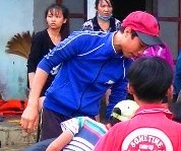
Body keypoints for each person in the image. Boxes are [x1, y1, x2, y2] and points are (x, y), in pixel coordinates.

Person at [20, 11, 162, 140]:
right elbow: (46, 63)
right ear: (128, 31)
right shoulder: (84, 40)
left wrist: (109, 130)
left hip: (86, 121)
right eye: (141, 45)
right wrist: (32, 105)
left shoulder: (127, 65)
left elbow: (115, 103)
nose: (141, 52)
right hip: (55, 112)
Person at [27, 2, 70, 97]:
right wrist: (33, 86)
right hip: (41, 84)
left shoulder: (67, 40)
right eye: (50, 16)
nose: (53, 20)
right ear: (46, 19)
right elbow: (32, 63)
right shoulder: (40, 37)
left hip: (59, 86)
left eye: (57, 17)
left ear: (64, 20)